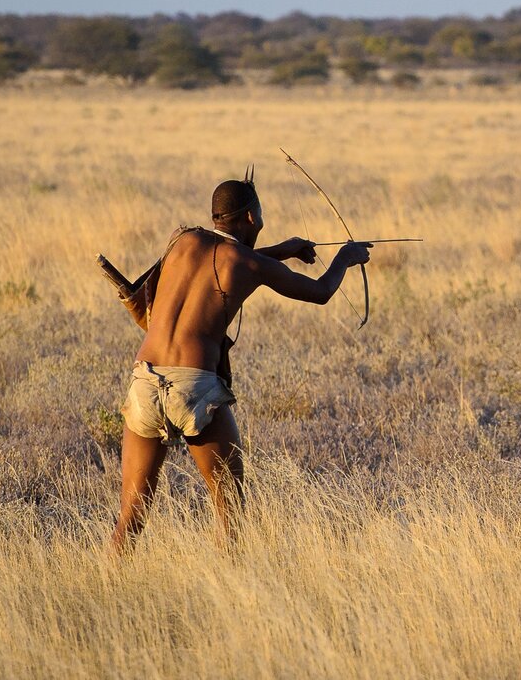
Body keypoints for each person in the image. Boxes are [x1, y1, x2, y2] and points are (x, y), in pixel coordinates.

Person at [110, 175, 371, 553]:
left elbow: (226, 260)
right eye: (260, 214)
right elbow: (320, 292)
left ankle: (109, 588)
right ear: (251, 218)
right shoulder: (248, 264)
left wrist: (282, 249)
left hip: (144, 382)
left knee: (131, 516)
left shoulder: (181, 241)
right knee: (230, 512)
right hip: (196, 386)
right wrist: (346, 257)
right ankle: (234, 600)